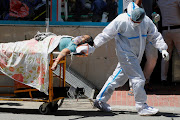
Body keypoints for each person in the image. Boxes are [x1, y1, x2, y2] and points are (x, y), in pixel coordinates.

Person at [91, 2, 169, 116]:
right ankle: (142, 106)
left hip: (136, 55)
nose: (135, 24)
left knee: (117, 79)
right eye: (133, 21)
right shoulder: (121, 20)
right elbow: (105, 35)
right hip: (125, 54)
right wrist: (93, 46)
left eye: (138, 22)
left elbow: (154, 35)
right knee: (138, 78)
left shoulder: (146, 21)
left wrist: (163, 49)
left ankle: (100, 100)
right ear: (130, 15)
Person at [123, 0, 160, 95]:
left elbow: (154, 7)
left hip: (149, 30)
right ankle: (134, 86)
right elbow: (131, 11)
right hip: (134, 31)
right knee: (134, 58)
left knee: (153, 57)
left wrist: (155, 15)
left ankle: (145, 81)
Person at [156, 0, 180, 85]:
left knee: (165, 55)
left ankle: (163, 79)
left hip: (165, 30)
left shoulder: (160, 2)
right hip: (177, 29)